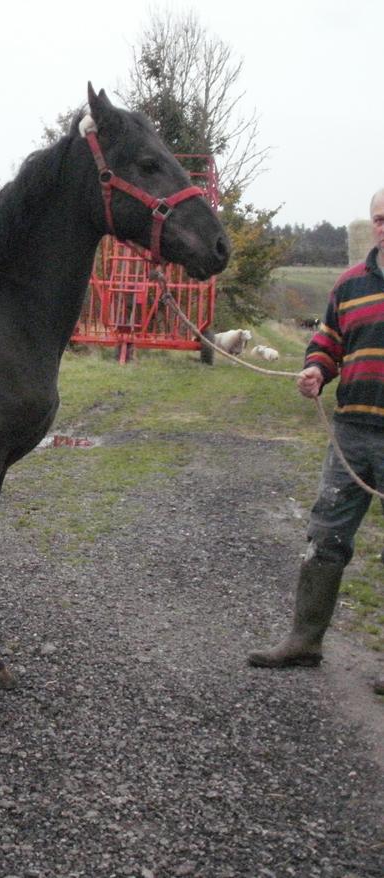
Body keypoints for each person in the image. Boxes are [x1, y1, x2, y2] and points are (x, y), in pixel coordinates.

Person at [249, 188, 384, 695]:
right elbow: (328, 341)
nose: (383, 226)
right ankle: (304, 642)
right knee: (325, 537)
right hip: (351, 430)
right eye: (378, 218)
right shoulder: (350, 284)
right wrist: (315, 370)